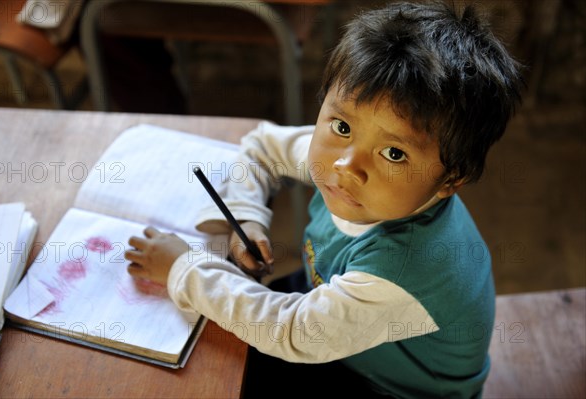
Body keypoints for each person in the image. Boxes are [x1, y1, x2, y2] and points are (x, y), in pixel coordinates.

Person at [124, 1, 523, 397]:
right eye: (343, 125)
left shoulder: (407, 269)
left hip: (389, 386)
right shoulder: (351, 164)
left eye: (394, 154)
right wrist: (247, 218)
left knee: (213, 367)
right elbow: (263, 147)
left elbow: (294, 332)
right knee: (213, 340)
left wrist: (183, 269)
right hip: (329, 300)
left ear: (449, 180)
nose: (347, 165)